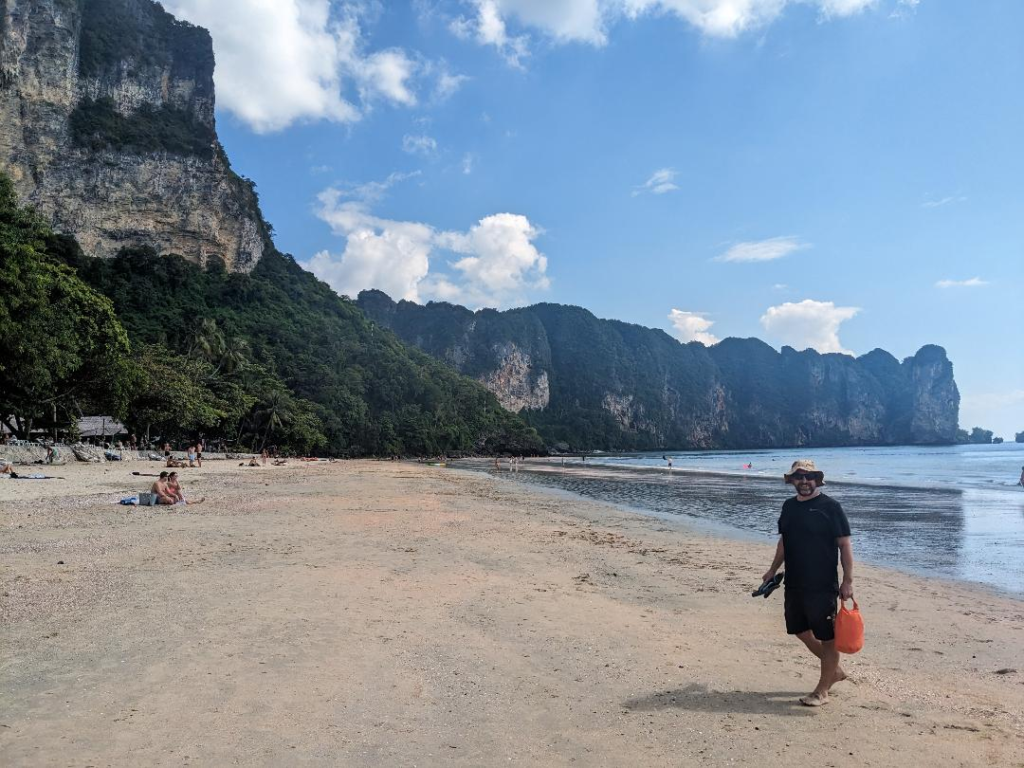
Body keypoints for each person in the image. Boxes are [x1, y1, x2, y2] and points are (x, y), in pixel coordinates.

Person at [762, 459, 854, 708]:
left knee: (827, 637)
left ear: (817, 479)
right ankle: (833, 671)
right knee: (799, 630)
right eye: (799, 477)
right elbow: (784, 542)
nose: (804, 481)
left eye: (808, 476)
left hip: (822, 584)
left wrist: (847, 581)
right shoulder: (789, 507)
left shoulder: (831, 507)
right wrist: (772, 570)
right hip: (794, 581)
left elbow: (844, 545)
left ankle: (822, 690)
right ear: (792, 480)